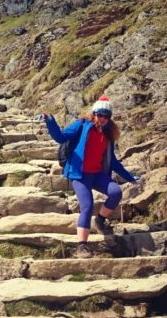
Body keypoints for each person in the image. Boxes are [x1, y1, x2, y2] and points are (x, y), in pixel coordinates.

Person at [42, 96, 138, 259]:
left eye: (106, 116)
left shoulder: (108, 134)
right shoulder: (82, 125)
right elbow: (60, 137)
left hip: (97, 174)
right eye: (100, 115)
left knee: (116, 193)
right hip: (79, 174)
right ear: (94, 113)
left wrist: (129, 177)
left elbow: (112, 161)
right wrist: (50, 121)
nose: (103, 119)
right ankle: (82, 246)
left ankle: (100, 221)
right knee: (87, 206)